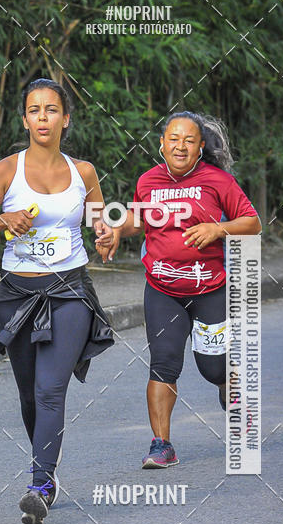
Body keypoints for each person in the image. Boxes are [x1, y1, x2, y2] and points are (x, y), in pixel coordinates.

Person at [0, 78, 114, 524]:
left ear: (65, 119)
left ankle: (40, 483)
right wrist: (4, 218)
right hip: (17, 294)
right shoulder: (5, 171)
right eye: (35, 110)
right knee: (30, 394)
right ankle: (46, 473)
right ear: (25, 118)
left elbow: (100, 226)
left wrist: (108, 237)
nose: (43, 118)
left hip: (69, 289)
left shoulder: (83, 172)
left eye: (52, 110)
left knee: (52, 388)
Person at [96, 111, 261, 468]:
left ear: (201, 146)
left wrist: (218, 231)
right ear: (161, 144)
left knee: (214, 369)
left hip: (210, 289)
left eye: (188, 140)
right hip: (163, 289)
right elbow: (138, 218)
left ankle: (232, 399)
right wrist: (114, 231)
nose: (180, 146)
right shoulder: (148, 181)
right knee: (163, 364)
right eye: (173, 139)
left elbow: (253, 223)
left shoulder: (218, 181)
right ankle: (161, 445)